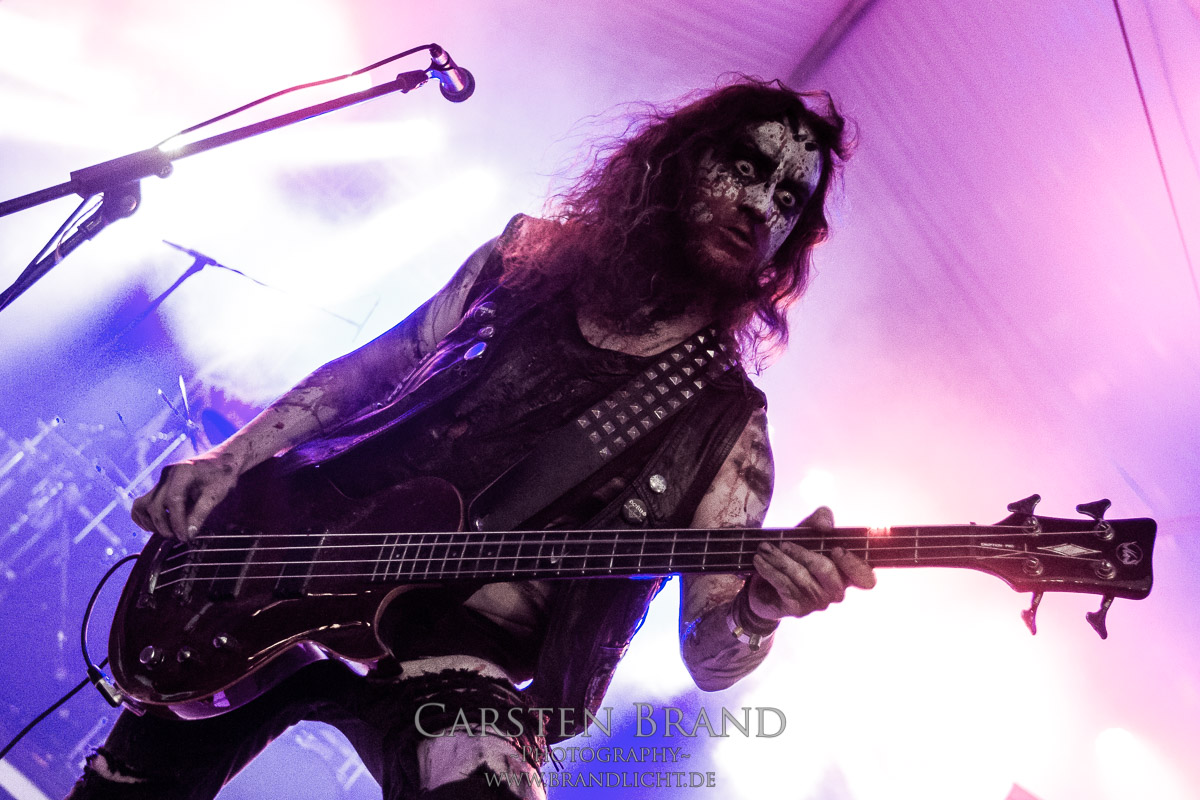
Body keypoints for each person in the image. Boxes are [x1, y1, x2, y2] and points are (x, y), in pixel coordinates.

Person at [66, 78, 873, 800]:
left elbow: (710, 655)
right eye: (744, 166)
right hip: (284, 562)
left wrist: (761, 607)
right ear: (677, 162)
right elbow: (372, 368)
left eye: (788, 199)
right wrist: (229, 458)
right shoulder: (522, 259)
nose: (760, 206)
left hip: (463, 655)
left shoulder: (729, 423)